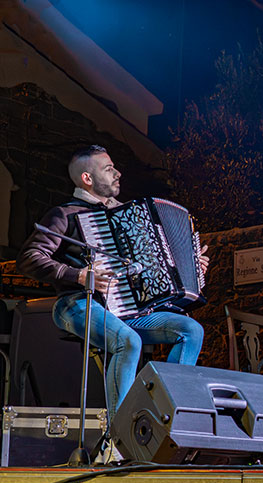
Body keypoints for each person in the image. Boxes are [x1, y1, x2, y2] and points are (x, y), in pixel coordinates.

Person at [17, 145, 209, 436]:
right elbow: (29, 258)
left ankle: (168, 417)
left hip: (128, 310)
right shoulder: (65, 215)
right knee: (128, 341)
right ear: (87, 178)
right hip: (78, 303)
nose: (118, 173)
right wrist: (79, 275)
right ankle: (121, 435)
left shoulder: (128, 215)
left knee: (190, 330)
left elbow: (152, 267)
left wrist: (192, 266)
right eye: (108, 169)